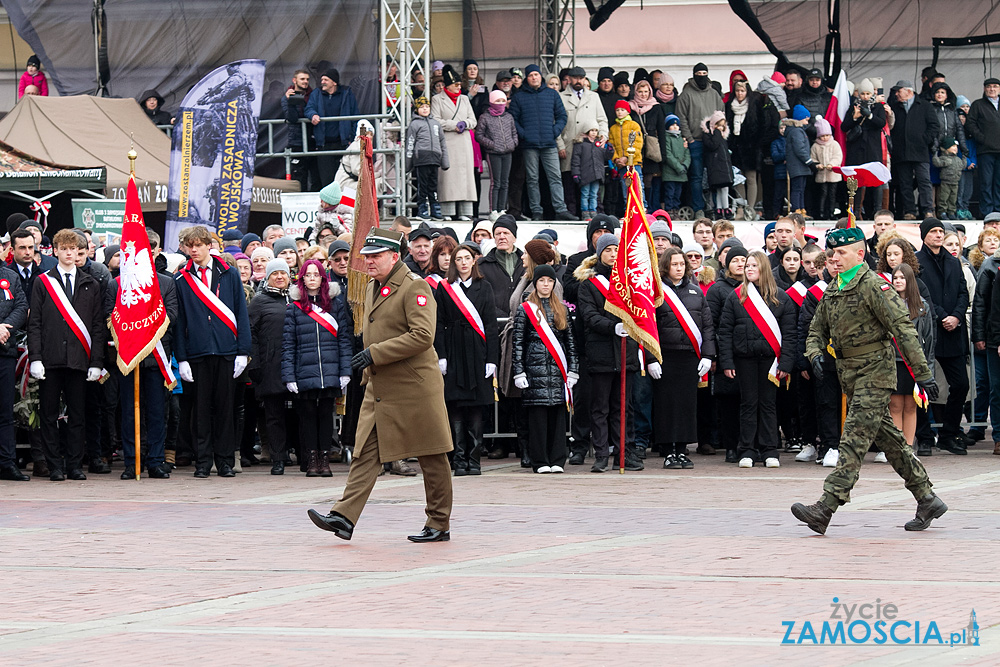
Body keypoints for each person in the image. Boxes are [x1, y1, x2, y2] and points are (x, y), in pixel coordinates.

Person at [794, 226, 945, 535]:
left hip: (876, 374)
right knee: (891, 441)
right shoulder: (834, 287)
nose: (834, 258)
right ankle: (927, 497)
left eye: (841, 253)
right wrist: (815, 353)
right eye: (832, 253)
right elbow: (816, 329)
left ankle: (825, 507)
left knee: (852, 441)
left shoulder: (876, 286)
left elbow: (903, 329)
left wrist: (923, 373)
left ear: (860, 254)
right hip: (849, 374)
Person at [307, 228, 454, 543]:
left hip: (415, 386)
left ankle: (439, 523)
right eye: (367, 257)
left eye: (374, 256)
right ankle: (344, 516)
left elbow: (422, 336)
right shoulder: (375, 286)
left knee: (431, 454)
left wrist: (375, 353)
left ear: (394, 256)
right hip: (381, 386)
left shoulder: (415, 287)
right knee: (365, 453)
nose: (368, 262)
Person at [174, 226, 252, 479]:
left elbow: (241, 312)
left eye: (198, 245)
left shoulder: (228, 274)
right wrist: (182, 358)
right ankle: (203, 461)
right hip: (197, 352)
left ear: (210, 245)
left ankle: (225, 461)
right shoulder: (182, 279)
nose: (194, 250)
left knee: (225, 409)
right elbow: (180, 321)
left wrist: (243, 351)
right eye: (189, 245)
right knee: (201, 410)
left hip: (227, 351)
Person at [27, 229, 105, 481]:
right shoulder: (43, 281)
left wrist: (96, 362)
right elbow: (35, 323)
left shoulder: (91, 284)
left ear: (80, 252)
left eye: (74, 249)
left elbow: (96, 326)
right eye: (64, 248)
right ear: (56, 251)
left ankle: (74, 465)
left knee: (77, 415)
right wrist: (35, 358)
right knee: (48, 415)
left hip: (79, 359)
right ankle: (54, 466)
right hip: (50, 359)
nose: (69, 253)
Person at [719, 250, 797, 468]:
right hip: (744, 359)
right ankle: (747, 450)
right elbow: (724, 331)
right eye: (747, 266)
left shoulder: (782, 297)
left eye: (754, 265)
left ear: (763, 268)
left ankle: (770, 449)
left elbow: (790, 334)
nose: (749, 269)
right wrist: (726, 362)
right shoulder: (735, 297)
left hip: (771, 361)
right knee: (748, 404)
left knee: (769, 405)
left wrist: (786, 363)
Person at [575, 234, 642, 472]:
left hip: (626, 353)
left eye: (617, 250)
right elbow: (589, 316)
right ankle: (602, 454)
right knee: (600, 407)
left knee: (623, 407)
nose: (613, 254)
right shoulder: (589, 285)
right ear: (599, 253)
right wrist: (613, 326)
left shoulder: (629, 282)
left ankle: (625, 453)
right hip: (601, 353)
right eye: (608, 250)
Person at [282, 258, 353, 476]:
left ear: (323, 278)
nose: (312, 279)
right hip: (304, 371)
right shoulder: (294, 309)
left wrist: (345, 371)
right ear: (302, 279)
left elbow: (344, 339)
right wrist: (289, 376)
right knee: (307, 417)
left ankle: (324, 459)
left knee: (325, 416)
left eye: (316, 275)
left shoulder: (336, 304)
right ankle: (311, 459)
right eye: (308, 275)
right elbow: (288, 344)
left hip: (330, 371)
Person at [435, 243, 499, 475]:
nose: (462, 262)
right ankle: (459, 460)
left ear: (474, 261)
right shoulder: (444, 288)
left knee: (475, 408)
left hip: (477, 350)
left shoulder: (485, 287)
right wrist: (441, 355)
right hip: (453, 350)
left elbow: (491, 326)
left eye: (467, 258)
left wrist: (492, 358)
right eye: (458, 259)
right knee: (455, 406)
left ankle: (474, 460)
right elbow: (438, 324)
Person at [651, 248, 714, 468]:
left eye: (682, 264)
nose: (679, 268)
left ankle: (682, 450)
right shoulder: (657, 292)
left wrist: (707, 355)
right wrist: (651, 359)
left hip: (689, 356)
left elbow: (707, 326)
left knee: (687, 405)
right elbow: (649, 328)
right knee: (667, 405)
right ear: (666, 266)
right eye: (674, 264)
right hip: (666, 356)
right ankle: (668, 451)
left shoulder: (696, 292)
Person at [511, 264, 577, 473]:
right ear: (535, 283)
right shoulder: (525, 309)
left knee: (558, 419)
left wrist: (573, 369)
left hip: (557, 371)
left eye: (549, 281)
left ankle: (557, 460)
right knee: (538, 420)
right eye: (541, 281)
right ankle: (539, 461)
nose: (546, 284)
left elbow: (570, 343)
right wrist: (519, 371)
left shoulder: (562, 309)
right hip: (534, 371)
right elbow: (518, 342)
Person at [914, 218, 971, 454]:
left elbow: (962, 292)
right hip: (929, 333)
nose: (938, 235)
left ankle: (949, 433)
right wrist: (941, 316)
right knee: (922, 387)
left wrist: (956, 316)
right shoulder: (917, 262)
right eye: (934, 231)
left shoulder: (953, 261)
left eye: (941, 231)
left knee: (960, 384)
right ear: (925, 235)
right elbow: (919, 293)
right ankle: (925, 437)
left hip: (953, 333)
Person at [509, 64, 575, 221]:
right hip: (529, 145)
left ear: (541, 77)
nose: (534, 77)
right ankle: (536, 211)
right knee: (532, 179)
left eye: (536, 75)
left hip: (549, 143)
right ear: (527, 78)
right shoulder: (519, 97)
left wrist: (554, 132)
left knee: (555, 177)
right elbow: (513, 119)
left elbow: (562, 116)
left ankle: (560, 209)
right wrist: (524, 134)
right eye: (531, 75)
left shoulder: (552, 94)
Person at [248, 259, 295, 472]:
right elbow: (251, 335)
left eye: (283, 273)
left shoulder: (297, 298)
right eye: (274, 273)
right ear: (267, 277)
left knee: (297, 413)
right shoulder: (259, 302)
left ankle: (302, 455)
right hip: (270, 367)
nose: (279, 277)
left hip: (296, 365)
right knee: (274, 414)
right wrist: (255, 365)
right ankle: (278, 458)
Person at [887, 262, 936, 451]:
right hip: (894, 362)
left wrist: (928, 369)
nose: (898, 281)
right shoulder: (888, 303)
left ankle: (908, 447)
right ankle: (897, 448)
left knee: (911, 406)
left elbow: (929, 340)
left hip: (915, 363)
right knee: (895, 405)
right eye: (895, 278)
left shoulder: (922, 306)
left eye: (902, 277)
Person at [706, 244, 747, 461]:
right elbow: (710, 324)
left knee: (748, 402)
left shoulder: (756, 287)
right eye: (735, 260)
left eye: (743, 260)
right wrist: (713, 355)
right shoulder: (717, 289)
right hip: (726, 353)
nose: (740, 264)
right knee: (729, 403)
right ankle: (731, 446)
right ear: (726, 263)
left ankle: (748, 444)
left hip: (749, 354)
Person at [558, 66, 608, 217]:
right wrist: (560, 144)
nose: (578, 81)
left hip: (591, 148)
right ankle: (572, 212)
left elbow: (602, 119)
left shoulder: (593, 96)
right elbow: (556, 123)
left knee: (592, 182)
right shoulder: (561, 97)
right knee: (570, 181)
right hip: (569, 146)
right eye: (575, 78)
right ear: (569, 79)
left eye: (581, 78)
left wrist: (603, 135)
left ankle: (595, 212)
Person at [676, 63, 724, 218]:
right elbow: (681, 118)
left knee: (715, 176)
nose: (702, 76)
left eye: (705, 73)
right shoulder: (686, 94)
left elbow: (721, 115)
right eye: (699, 73)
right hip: (695, 141)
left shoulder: (714, 94)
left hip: (713, 141)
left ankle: (716, 208)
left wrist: (719, 135)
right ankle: (699, 209)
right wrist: (689, 138)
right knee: (696, 177)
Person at [431, 65, 477, 221]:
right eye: (455, 84)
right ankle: (448, 211)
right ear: (447, 85)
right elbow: (435, 120)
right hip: (448, 141)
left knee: (466, 177)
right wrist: (453, 125)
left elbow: (473, 120)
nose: (458, 87)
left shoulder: (464, 99)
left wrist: (464, 123)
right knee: (448, 177)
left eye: (459, 84)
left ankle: (465, 211)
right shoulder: (437, 99)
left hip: (464, 142)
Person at [889, 81, 938, 219]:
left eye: (899, 91)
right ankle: (910, 211)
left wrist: (925, 140)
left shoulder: (925, 106)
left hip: (920, 150)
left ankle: (928, 210)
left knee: (924, 181)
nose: (897, 94)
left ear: (908, 91)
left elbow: (934, 126)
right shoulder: (895, 108)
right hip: (901, 151)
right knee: (905, 183)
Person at [304, 69, 359, 186]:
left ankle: (344, 204)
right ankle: (330, 205)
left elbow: (355, 117)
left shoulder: (346, 93)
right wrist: (312, 115)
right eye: (322, 79)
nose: (322, 82)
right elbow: (308, 108)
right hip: (324, 144)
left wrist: (352, 139)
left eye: (325, 80)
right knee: (327, 181)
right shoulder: (316, 93)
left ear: (334, 82)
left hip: (343, 144)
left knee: (345, 180)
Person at [0, 256, 28, 481]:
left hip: (4, 351)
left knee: (5, 411)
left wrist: (4, 328)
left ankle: (6, 462)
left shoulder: (10, 276)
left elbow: (21, 305)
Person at [405, 96, 449, 220]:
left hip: (435, 158)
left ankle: (435, 208)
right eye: (422, 107)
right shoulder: (415, 124)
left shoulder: (436, 124)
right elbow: (410, 143)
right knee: (422, 185)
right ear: (417, 109)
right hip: (422, 159)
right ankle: (422, 209)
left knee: (433, 185)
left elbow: (442, 142)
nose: (425, 109)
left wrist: (445, 161)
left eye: (427, 107)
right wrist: (408, 164)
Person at [725, 80, 764, 219]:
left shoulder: (754, 105)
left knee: (751, 178)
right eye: (737, 91)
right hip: (735, 148)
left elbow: (760, 126)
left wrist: (757, 144)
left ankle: (751, 208)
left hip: (751, 147)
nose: (739, 94)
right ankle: (741, 206)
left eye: (742, 91)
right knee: (738, 178)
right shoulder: (730, 106)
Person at [477, 90, 518, 218]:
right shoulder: (485, 117)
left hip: (507, 152)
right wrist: (492, 145)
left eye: (502, 101)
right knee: (496, 182)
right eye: (497, 101)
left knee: (505, 182)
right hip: (493, 153)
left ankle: (502, 209)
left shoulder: (508, 117)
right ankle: (493, 209)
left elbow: (514, 132)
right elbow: (479, 135)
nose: (500, 104)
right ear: (491, 102)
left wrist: (513, 143)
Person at [964, 78, 1000, 216]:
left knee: (998, 183)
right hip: (985, 150)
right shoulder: (978, 104)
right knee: (986, 183)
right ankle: (987, 213)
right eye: (989, 86)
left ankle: (998, 212)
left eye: (995, 86)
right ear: (984, 89)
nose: (992, 89)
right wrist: (982, 138)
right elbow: (970, 124)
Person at [572, 124, 613, 220]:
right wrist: (576, 173)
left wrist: (610, 150)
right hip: (585, 174)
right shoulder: (580, 145)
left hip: (597, 174)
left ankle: (593, 211)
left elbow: (606, 157)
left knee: (594, 194)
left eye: (596, 130)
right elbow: (575, 160)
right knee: (585, 193)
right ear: (587, 132)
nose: (594, 133)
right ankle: (585, 212)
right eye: (591, 130)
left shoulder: (599, 144)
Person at [701, 111, 734, 219]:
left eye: (722, 126)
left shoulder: (723, 137)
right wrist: (717, 133)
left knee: (724, 189)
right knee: (722, 189)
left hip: (724, 167)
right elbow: (712, 145)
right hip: (716, 167)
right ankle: (724, 209)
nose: (720, 128)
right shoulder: (710, 135)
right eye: (718, 125)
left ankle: (721, 208)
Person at [810, 117, 843, 220]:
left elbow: (838, 156)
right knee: (822, 193)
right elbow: (813, 157)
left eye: (827, 135)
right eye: (823, 136)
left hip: (833, 174)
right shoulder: (815, 146)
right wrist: (817, 165)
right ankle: (821, 212)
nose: (825, 138)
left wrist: (832, 164)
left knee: (832, 194)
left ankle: (831, 212)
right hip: (821, 175)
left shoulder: (834, 144)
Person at [783, 105, 813, 216]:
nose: (807, 123)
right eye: (806, 120)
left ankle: (801, 208)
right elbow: (800, 149)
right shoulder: (797, 132)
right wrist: (809, 162)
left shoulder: (797, 131)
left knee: (801, 188)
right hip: (798, 166)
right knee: (797, 188)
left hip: (799, 166)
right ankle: (797, 209)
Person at [933, 138, 964, 220]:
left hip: (955, 182)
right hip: (946, 182)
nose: (955, 148)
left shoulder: (958, 159)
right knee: (944, 197)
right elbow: (937, 163)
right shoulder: (944, 158)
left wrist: (965, 157)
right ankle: (942, 211)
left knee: (953, 198)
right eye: (953, 146)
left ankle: (951, 212)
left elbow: (962, 166)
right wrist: (935, 154)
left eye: (956, 147)